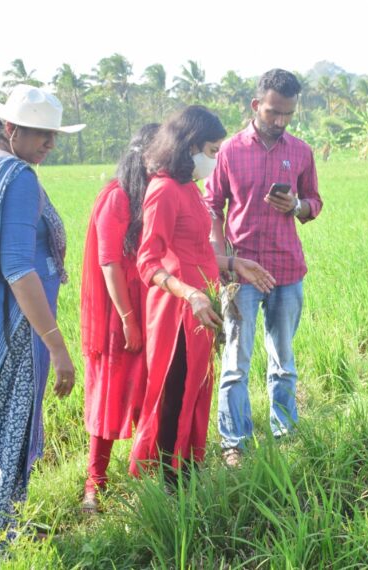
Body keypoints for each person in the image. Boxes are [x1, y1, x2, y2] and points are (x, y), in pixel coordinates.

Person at [0, 84, 84, 566]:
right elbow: (19, 267)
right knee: (11, 435)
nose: (50, 144)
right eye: (41, 134)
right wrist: (57, 345)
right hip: (18, 330)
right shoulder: (19, 177)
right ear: (11, 128)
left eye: (54, 134)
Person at [129, 106, 276, 480]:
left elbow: (197, 249)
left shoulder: (189, 189)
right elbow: (147, 261)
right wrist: (190, 294)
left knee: (196, 389)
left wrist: (233, 264)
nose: (214, 160)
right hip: (177, 312)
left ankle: (188, 468)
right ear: (189, 145)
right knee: (174, 393)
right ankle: (169, 480)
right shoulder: (163, 190)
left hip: (201, 310)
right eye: (211, 152)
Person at [203, 69, 323, 465]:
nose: (280, 121)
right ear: (256, 106)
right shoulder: (229, 152)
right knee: (236, 362)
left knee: (283, 360)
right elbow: (211, 206)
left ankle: (285, 432)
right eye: (273, 112)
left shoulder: (301, 151)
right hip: (242, 274)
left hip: (287, 270)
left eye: (288, 114)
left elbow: (314, 203)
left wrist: (299, 207)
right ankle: (234, 442)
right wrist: (223, 260)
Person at [80, 123, 159, 512]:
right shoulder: (117, 198)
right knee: (109, 394)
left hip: (151, 307)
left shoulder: (153, 195)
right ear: (145, 156)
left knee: (149, 389)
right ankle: (94, 485)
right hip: (120, 313)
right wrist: (129, 319)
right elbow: (109, 262)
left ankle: (146, 474)